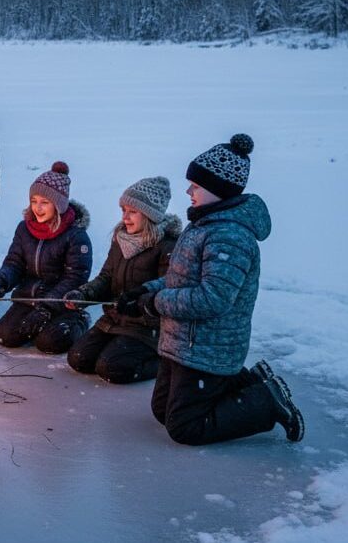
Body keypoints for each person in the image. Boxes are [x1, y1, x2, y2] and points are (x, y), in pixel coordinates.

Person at [120, 134, 304, 444]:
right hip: (182, 342)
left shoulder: (229, 236)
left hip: (208, 348)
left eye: (196, 185)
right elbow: (182, 280)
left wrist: (154, 302)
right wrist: (144, 291)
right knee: (162, 411)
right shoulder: (202, 225)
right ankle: (246, 381)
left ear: (218, 189)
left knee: (185, 428)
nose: (188, 191)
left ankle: (266, 401)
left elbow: (213, 298)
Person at [64, 177, 180, 383]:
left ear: (150, 215)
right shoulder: (121, 239)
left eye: (132, 211)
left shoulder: (168, 247)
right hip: (114, 319)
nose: (125, 217)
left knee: (112, 368)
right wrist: (83, 294)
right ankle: (117, 347)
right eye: (123, 210)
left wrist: (140, 305)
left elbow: (167, 290)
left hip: (146, 327)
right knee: (79, 358)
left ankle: (164, 360)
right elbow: (106, 277)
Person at [0, 162, 92, 353]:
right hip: (28, 299)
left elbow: (75, 278)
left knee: (48, 343)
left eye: (44, 202)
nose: (38, 208)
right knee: (4, 335)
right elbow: (14, 262)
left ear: (58, 205)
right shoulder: (24, 228)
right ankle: (39, 325)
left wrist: (47, 307)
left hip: (60, 303)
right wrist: (1, 280)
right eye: (34, 201)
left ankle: (79, 321)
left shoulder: (75, 236)